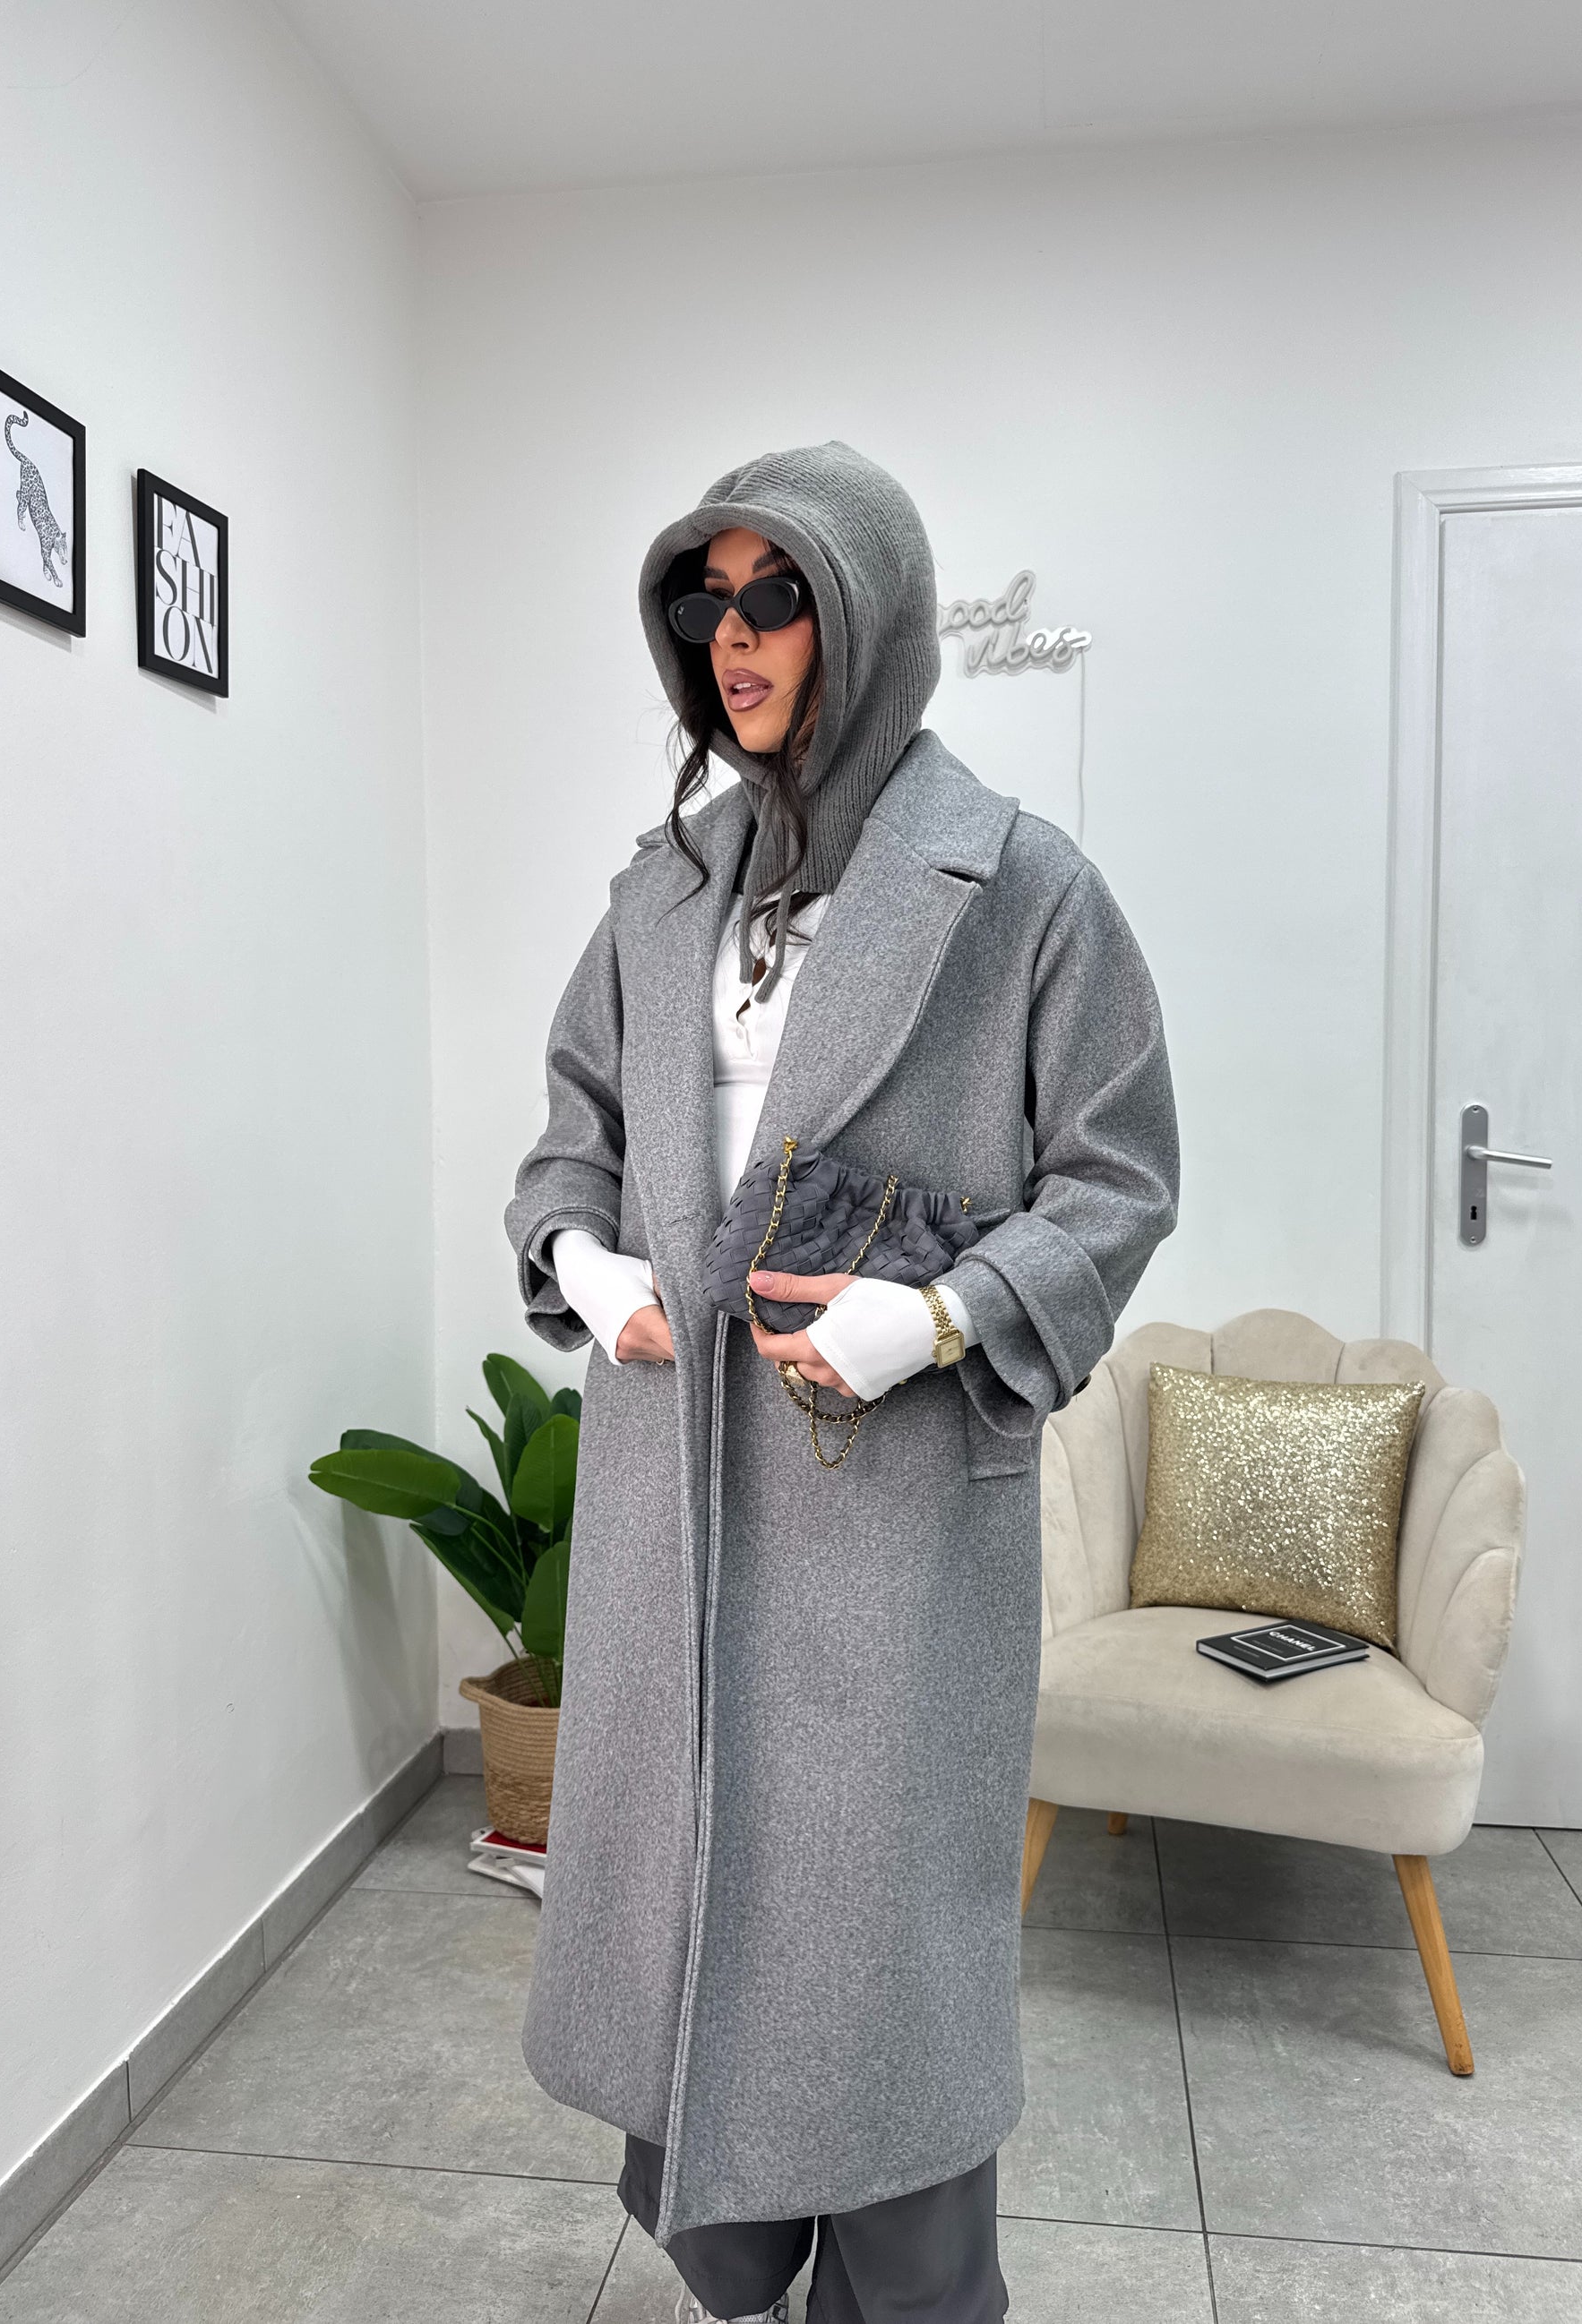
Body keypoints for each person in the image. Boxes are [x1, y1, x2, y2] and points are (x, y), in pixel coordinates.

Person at [504, 439, 1180, 2324]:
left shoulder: (1021, 887)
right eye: (701, 599)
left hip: (886, 1514)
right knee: (686, 1926)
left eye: (774, 595)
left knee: (880, 1973)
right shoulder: (661, 893)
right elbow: (570, 1137)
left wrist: (945, 1316)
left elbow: (1118, 1177)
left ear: (864, 610)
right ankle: (744, 2252)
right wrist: (584, 1262)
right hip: (673, 1491)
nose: (730, 636)